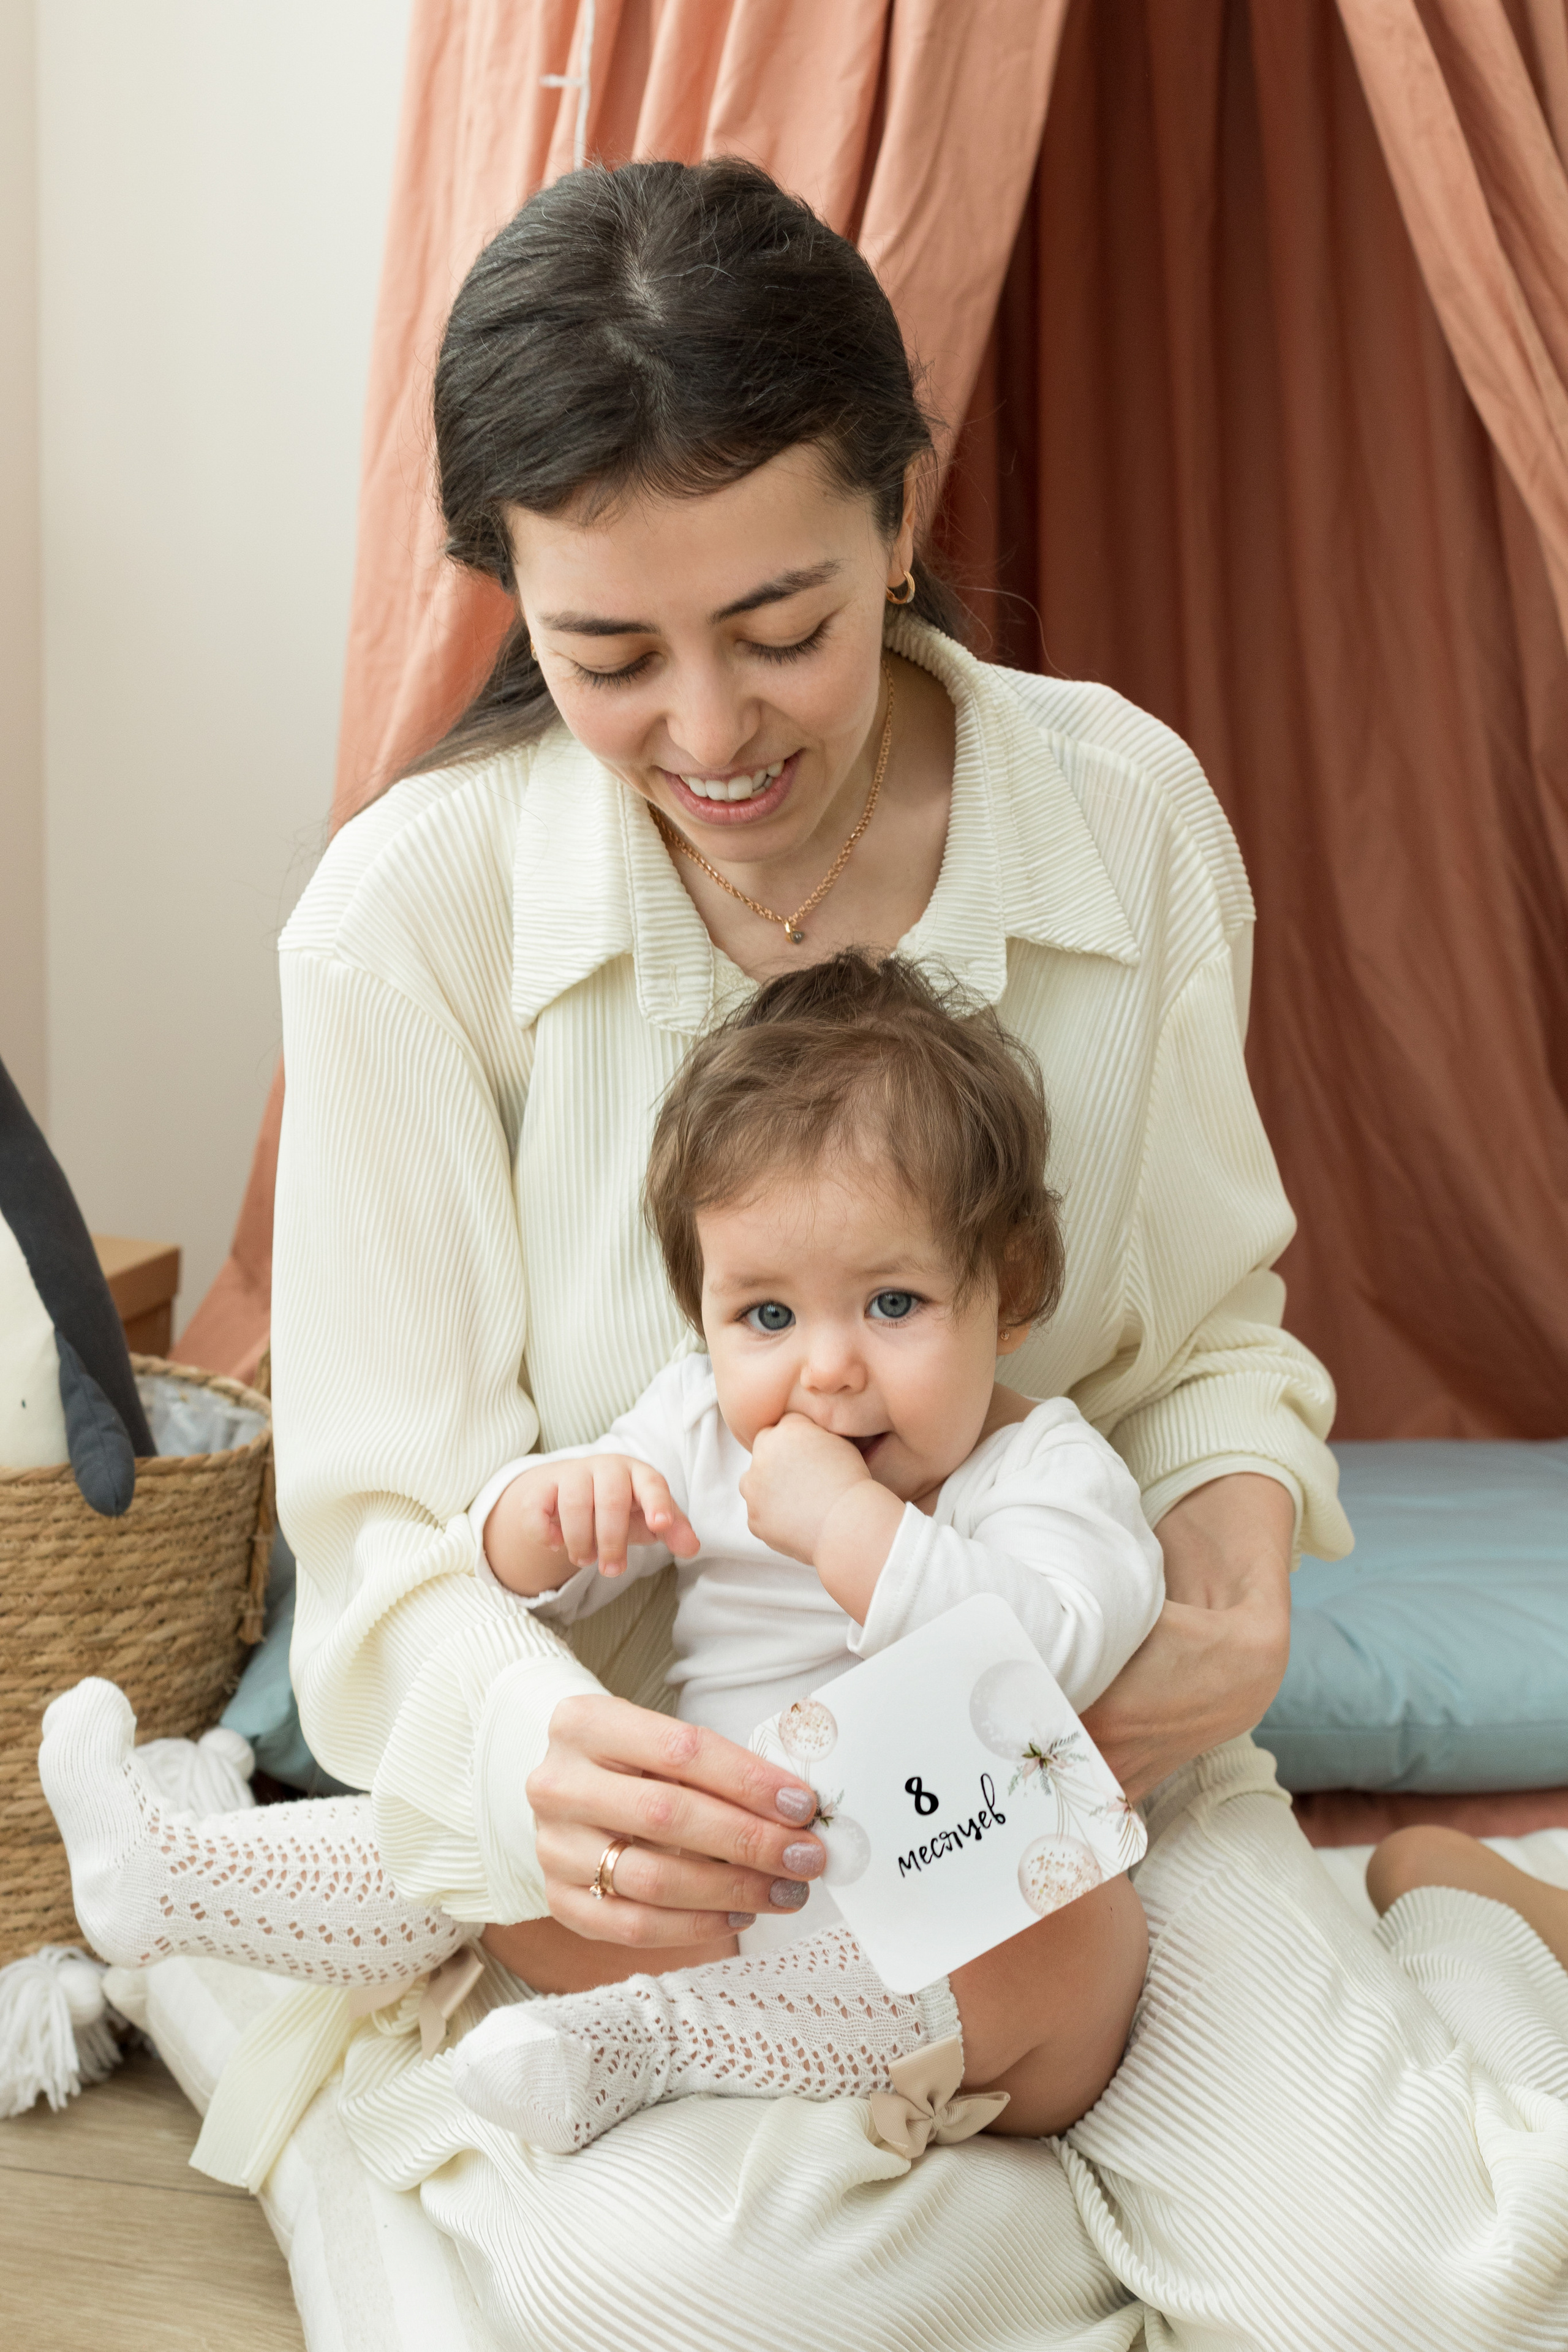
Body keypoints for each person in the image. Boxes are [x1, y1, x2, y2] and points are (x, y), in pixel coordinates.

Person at [45, 154, 1568, 2352]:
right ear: (509, 595)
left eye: (782, 630)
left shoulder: (1123, 813)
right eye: (606, 658)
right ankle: (1144, 2180)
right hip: (670, 1876)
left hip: (1073, 1808)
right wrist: (532, 1749)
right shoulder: (408, 922)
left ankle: (1447, 1932)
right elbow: (385, 1545)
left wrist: (1233, 1573)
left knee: (1445, 2304)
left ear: (901, 514)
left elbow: (1206, 1340)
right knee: (669, 2304)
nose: (709, 733)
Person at [450, 949, 1161, 2152]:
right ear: (704, 1317)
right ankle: (184, 1873)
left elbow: (1051, 1661)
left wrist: (847, 1525)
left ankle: (658, 2045)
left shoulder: (1041, 1468)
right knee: (451, 1839)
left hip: (947, 1936)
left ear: (1010, 1284)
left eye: (892, 1304)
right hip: (714, 1896)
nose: (826, 1370)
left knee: (1077, 1928)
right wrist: (542, 1515)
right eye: (767, 1316)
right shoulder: (697, 1426)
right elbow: (528, 1592)